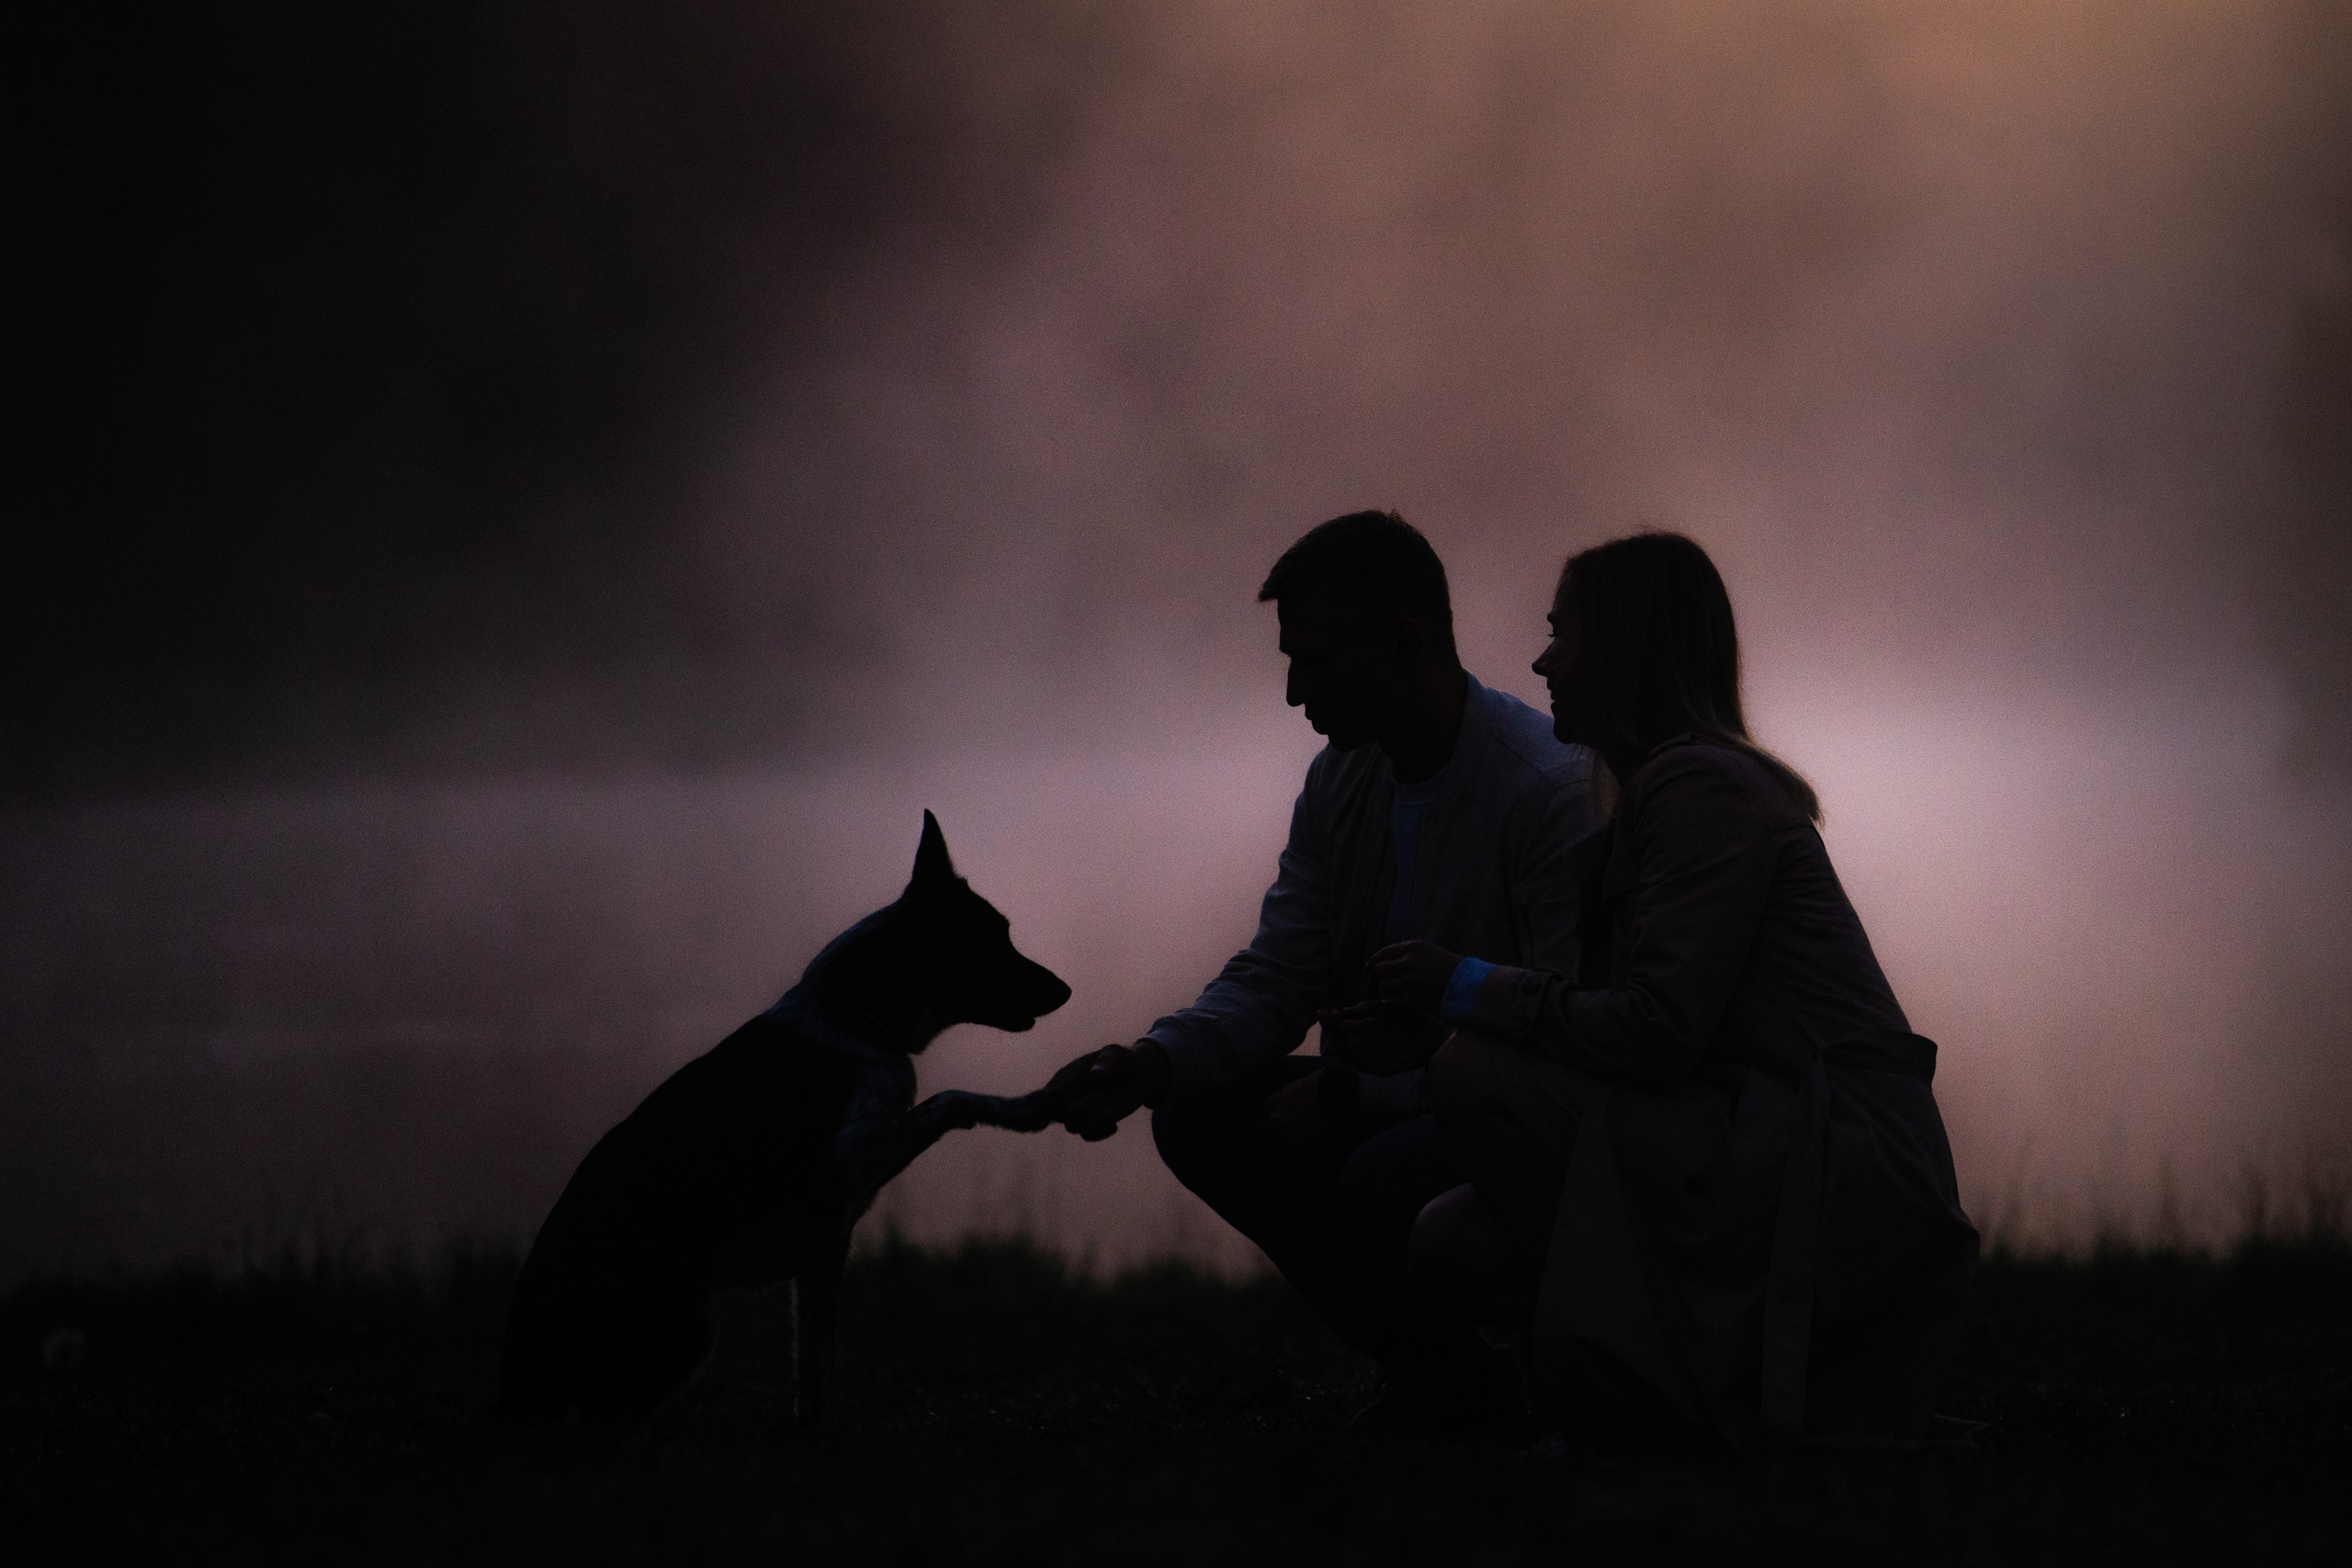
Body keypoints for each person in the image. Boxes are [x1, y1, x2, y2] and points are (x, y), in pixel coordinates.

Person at [1366, 531, 1979, 1450]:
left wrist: (1464, 988)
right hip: (1763, 1131)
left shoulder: (1701, 791)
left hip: (1835, 1160)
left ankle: (1665, 1400)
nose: (1540, 660)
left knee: (1475, 1079)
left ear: (1620, 648)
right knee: (1451, 1242)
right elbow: (1632, 1036)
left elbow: (1658, 1036)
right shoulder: (1667, 797)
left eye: (1560, 634)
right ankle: (1669, 1390)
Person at [1044, 510, 1605, 1426]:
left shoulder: (1545, 793)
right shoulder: (1341, 780)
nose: (1296, 692)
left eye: (1317, 661)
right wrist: (1151, 1063)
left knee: (1375, 1175)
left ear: (1403, 642)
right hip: (1411, 1105)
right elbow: (1280, 972)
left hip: (1533, 1128)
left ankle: (1491, 1380)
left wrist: (1359, 1095)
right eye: (1290, 662)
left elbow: (1569, 1042)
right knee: (1196, 1116)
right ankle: (1442, 1373)